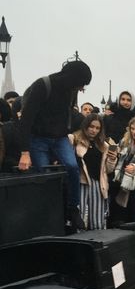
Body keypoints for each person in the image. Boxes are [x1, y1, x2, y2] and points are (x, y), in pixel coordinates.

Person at [18, 61, 92, 231]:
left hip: (59, 138)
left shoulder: (71, 90)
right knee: (44, 176)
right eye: (81, 84)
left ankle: (73, 209)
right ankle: (47, 216)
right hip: (38, 138)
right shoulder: (43, 86)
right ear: (72, 78)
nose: (81, 88)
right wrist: (25, 152)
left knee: (73, 167)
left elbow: (69, 114)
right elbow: (26, 119)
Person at [70, 113, 117, 229]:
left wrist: (112, 158)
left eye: (97, 128)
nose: (94, 130)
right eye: (91, 126)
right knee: (79, 219)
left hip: (98, 184)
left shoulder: (103, 145)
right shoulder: (74, 139)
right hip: (81, 182)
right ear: (85, 126)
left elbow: (108, 170)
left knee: (98, 220)